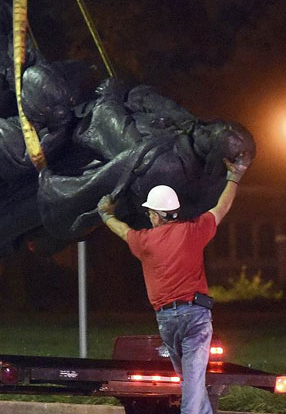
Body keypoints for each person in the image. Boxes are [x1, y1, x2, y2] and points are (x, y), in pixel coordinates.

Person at [96, 155, 250, 414]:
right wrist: (235, 177)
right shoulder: (194, 231)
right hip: (195, 317)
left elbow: (122, 230)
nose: (149, 217)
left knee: (191, 382)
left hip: (167, 321)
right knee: (193, 384)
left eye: (149, 213)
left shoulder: (145, 241)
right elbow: (221, 208)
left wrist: (105, 214)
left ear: (157, 215)